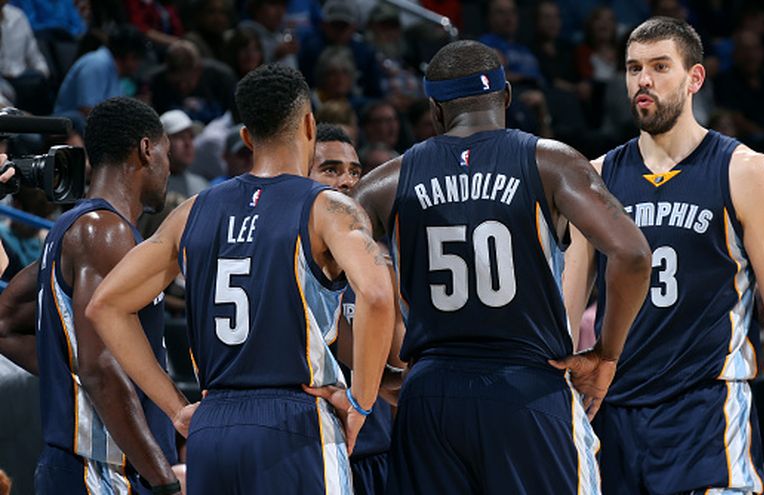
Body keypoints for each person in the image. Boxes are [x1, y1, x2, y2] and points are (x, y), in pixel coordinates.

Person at [353, 40, 652, 495]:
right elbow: (633, 255)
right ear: (506, 96)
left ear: (435, 110)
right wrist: (605, 354)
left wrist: (374, 377)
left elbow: (323, 271)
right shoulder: (551, 162)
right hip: (527, 389)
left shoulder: (386, 181)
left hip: (429, 395)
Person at [85, 63, 395, 494]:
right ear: (309, 125)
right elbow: (377, 296)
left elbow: (105, 305)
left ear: (247, 137)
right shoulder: (328, 208)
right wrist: (361, 402)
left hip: (212, 428)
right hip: (296, 421)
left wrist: (176, 409)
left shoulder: (192, 211)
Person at [563, 16, 764, 494]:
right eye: (634, 68)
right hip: (614, 421)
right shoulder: (597, 178)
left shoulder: (745, 171)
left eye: (660, 67)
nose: (644, 80)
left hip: (708, 418)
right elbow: (563, 319)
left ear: (695, 78)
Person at [0, 97, 182, 494]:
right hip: (102, 471)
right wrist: (163, 480)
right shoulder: (105, 232)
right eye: (166, 154)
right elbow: (99, 368)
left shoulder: (73, 230)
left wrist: (66, 374)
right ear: (146, 149)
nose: (169, 168)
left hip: (82, 466)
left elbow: (4, 323)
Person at [308, 123, 397, 495]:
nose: (346, 181)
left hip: (375, 450)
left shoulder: (377, 260)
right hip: (312, 448)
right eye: (331, 170)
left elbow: (398, 365)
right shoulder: (289, 257)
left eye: (354, 172)